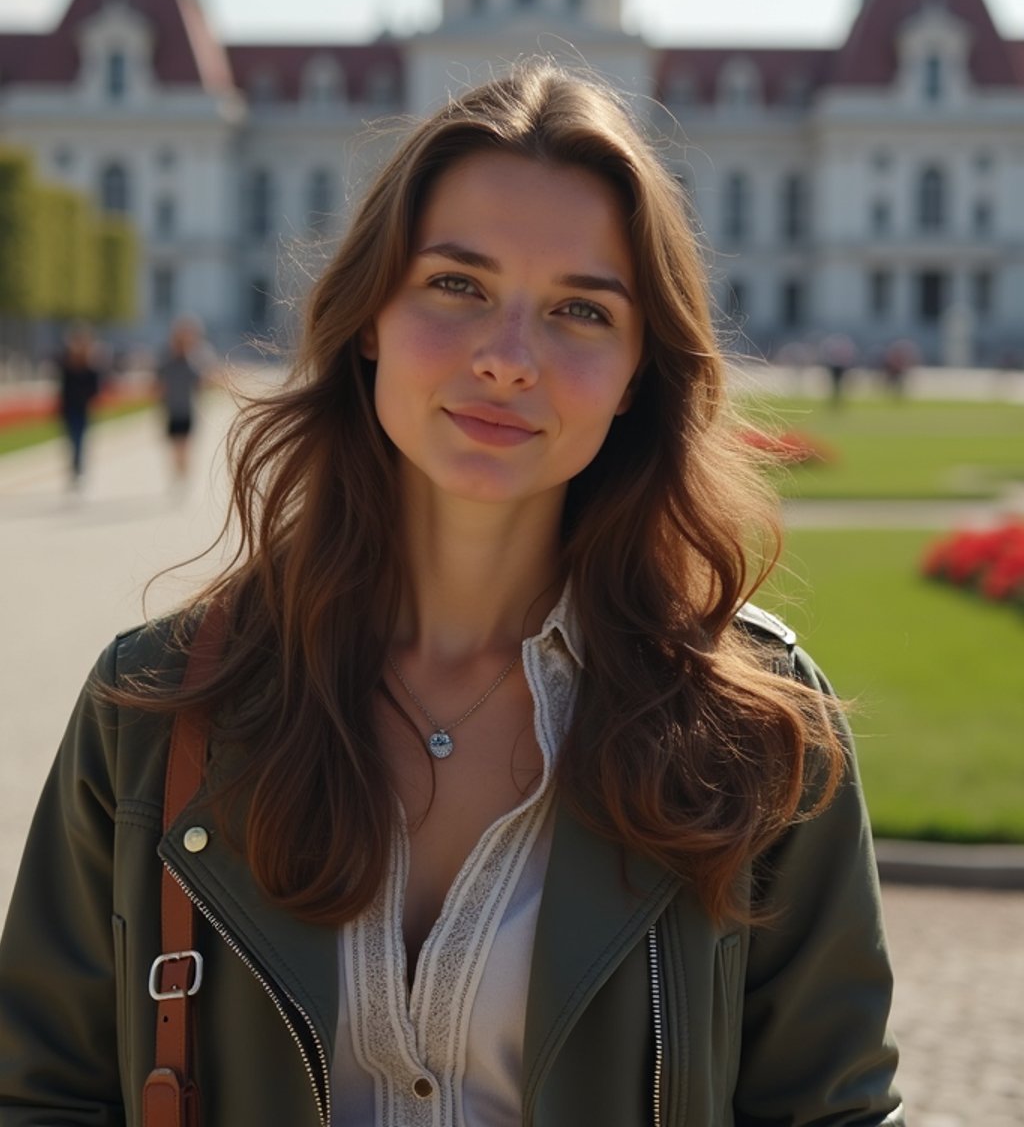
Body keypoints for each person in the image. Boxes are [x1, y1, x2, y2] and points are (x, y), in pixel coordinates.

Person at [0, 63, 903, 1125]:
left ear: (634, 376)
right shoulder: (151, 709)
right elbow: (44, 1095)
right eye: (456, 285)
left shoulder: (754, 728)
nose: (507, 358)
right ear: (370, 314)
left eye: (578, 309)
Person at [156, 317, 212, 485]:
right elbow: (159, 383)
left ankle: (183, 471)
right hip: (171, 409)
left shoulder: (192, 360)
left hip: (187, 410)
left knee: (184, 445)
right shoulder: (166, 361)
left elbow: (201, 382)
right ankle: (178, 470)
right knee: (175, 446)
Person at [53, 324, 102, 487]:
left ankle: (78, 467)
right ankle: (75, 466)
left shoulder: (90, 366)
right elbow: (62, 388)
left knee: (80, 439)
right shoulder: (66, 364)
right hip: (69, 409)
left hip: (83, 409)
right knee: (71, 439)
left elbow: (95, 389)